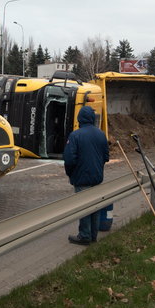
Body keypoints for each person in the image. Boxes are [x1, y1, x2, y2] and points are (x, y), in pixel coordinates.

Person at [63, 105, 110, 245]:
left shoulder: (75, 135)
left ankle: (84, 236)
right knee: (95, 206)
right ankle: (93, 235)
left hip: (81, 178)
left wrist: (70, 174)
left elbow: (69, 159)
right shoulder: (101, 134)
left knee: (84, 207)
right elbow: (106, 157)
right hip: (97, 177)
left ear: (79, 118)